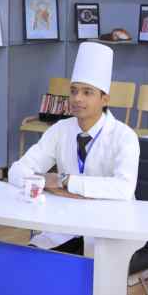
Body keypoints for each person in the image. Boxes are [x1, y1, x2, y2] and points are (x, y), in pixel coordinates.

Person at [8, 41, 139, 252]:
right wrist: (46, 181)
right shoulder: (60, 129)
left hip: (110, 226)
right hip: (65, 223)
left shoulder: (125, 136)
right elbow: (17, 171)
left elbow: (123, 189)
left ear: (104, 99)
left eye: (87, 92)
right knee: (31, 257)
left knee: (76, 262)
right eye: (74, 91)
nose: (77, 98)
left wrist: (66, 182)